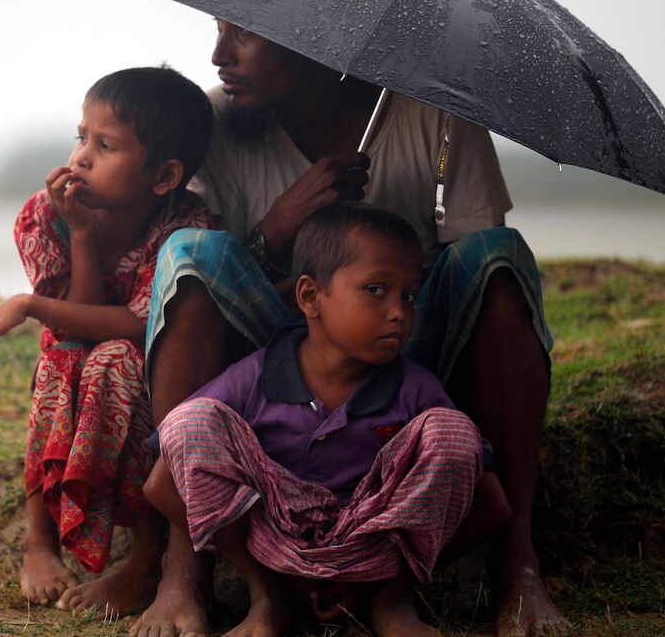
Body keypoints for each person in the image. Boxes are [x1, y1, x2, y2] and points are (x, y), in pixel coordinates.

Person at [132, 22, 566, 637]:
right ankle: (186, 570)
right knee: (190, 252)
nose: (219, 55)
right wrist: (277, 232)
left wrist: (381, 281)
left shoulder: (435, 110)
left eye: (245, 35)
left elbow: (474, 276)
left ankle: (516, 563)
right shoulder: (220, 118)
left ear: (316, 37)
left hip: (405, 354)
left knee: (501, 253)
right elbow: (220, 283)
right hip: (270, 353)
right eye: (219, 31)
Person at [144, 202, 511, 637]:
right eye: (376, 290)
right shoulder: (256, 377)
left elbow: (493, 507)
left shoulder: (415, 389)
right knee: (193, 421)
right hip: (270, 549)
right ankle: (268, 599)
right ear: (310, 297)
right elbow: (161, 482)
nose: (398, 312)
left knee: (453, 433)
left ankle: (391, 604)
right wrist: (264, 572)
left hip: (375, 556)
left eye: (408, 296)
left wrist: (388, 581)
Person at [0, 66, 214, 616]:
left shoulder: (185, 226)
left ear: (164, 176)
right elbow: (72, 324)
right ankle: (39, 542)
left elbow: (139, 323)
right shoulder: (46, 217)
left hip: (150, 373)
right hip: (75, 357)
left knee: (114, 360)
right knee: (61, 358)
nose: (81, 156)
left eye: (105, 145)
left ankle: (144, 559)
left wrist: (27, 303)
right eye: (81, 136)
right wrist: (81, 233)